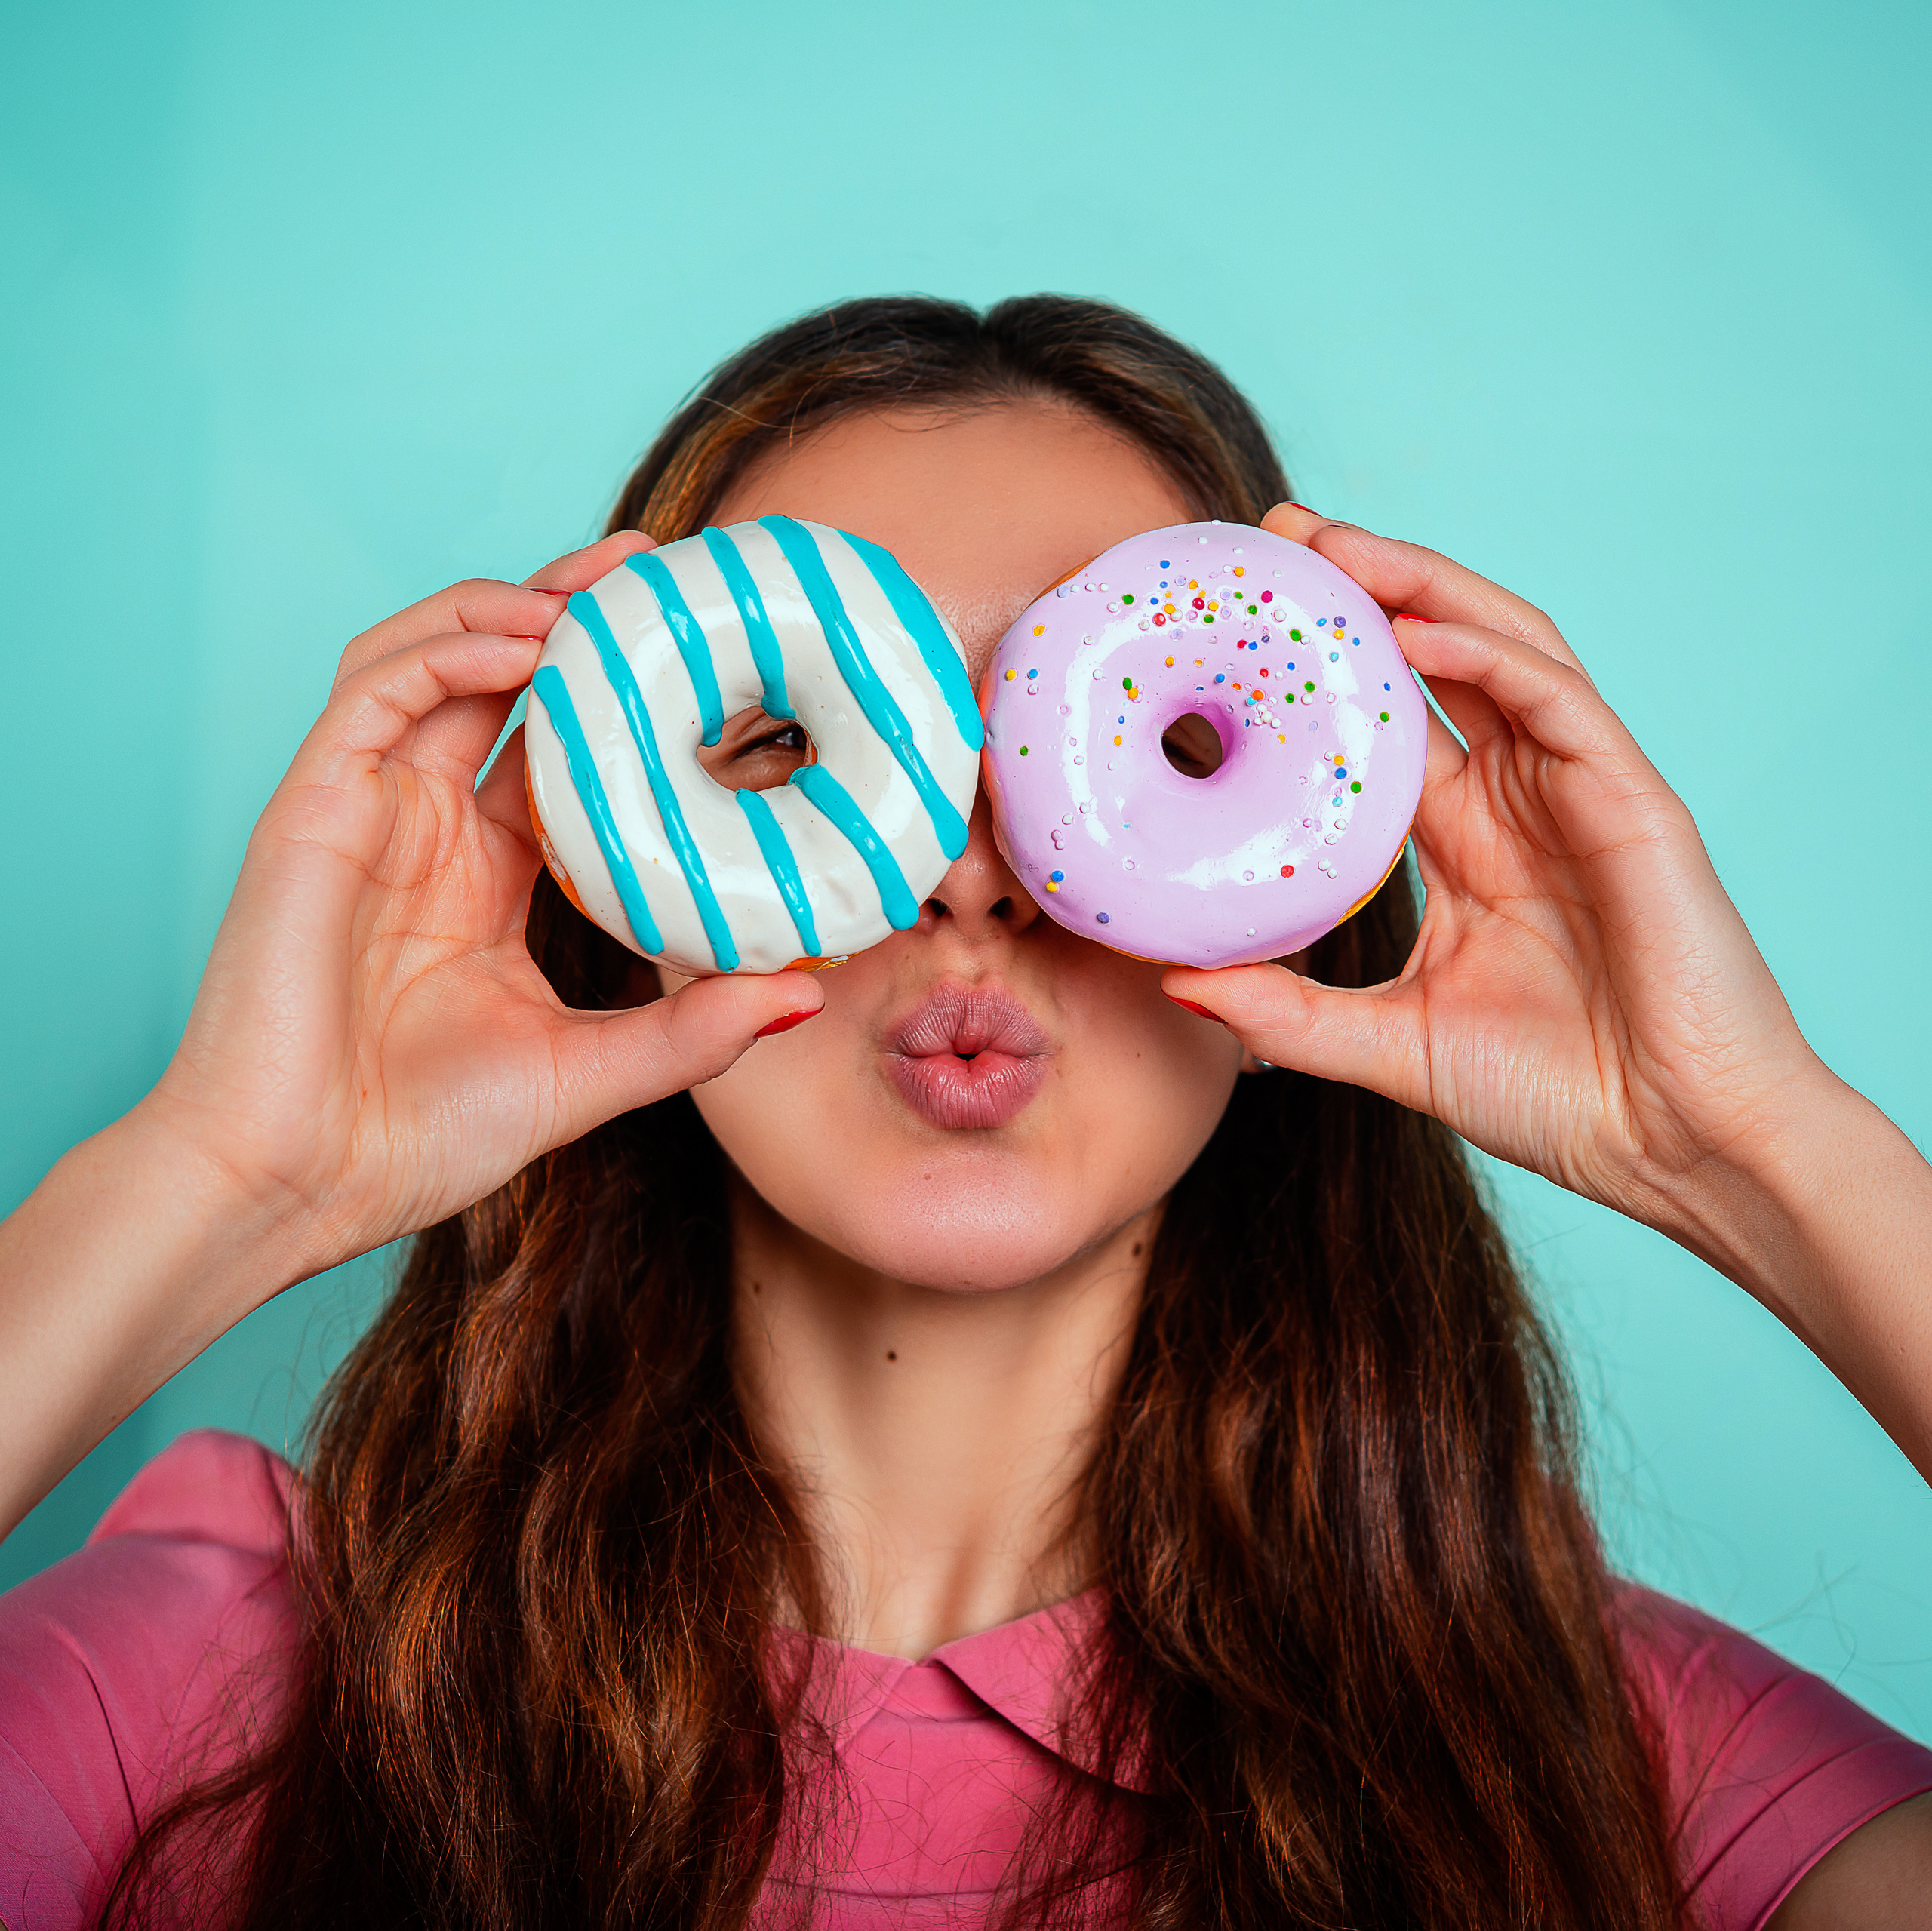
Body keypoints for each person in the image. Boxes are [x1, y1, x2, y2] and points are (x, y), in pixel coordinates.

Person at [2, 297, 1930, 1931]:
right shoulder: (210, 1689)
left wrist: (1744, 1141)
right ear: (607, 874)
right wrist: (221, 1176)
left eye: (1119, 750)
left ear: (1318, 874)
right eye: (797, 744)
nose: (969, 877)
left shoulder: (1603, 1764)